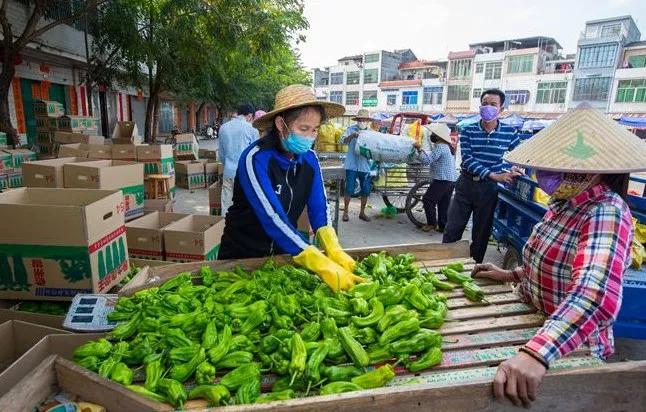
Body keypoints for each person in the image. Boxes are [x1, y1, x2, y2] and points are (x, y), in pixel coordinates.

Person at [472, 104, 646, 407]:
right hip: (533, 320)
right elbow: (555, 263)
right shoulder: (563, 203)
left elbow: (595, 294)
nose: (545, 174)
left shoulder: (605, 211)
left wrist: (536, 353)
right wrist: (511, 274)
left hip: (567, 346)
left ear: (592, 170)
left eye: (556, 166)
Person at [218, 84, 365, 292]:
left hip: (284, 256)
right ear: (281, 124)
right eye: (303, 129)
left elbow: (319, 207)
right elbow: (271, 217)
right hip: (242, 256)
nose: (309, 137)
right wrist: (318, 261)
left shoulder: (310, 160)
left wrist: (333, 247)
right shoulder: (256, 159)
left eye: (314, 130)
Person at [442, 89, 522, 263]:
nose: (488, 107)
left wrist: (515, 167)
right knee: (452, 228)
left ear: (501, 109)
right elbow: (468, 160)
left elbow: (520, 155)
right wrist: (495, 175)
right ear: (480, 106)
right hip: (466, 184)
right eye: (485, 103)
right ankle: (443, 264)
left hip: (488, 190)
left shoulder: (510, 133)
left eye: (493, 104)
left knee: (481, 232)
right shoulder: (469, 130)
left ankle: (473, 268)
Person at [414, 123, 458, 233]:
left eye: (434, 134)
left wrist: (419, 150)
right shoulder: (447, 147)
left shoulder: (440, 146)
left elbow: (427, 161)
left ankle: (431, 223)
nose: (432, 135)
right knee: (443, 204)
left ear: (439, 136)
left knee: (428, 200)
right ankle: (443, 226)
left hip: (442, 179)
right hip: (450, 180)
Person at [218, 103, 260, 216]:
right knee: (244, 205)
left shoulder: (223, 128)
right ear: (250, 115)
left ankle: (222, 228)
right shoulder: (252, 130)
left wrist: (227, 164)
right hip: (245, 173)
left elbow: (221, 154)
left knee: (226, 203)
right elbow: (256, 154)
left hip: (228, 171)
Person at [340, 109, 373, 222]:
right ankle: (345, 212)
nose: (362, 121)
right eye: (360, 119)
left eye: (364, 119)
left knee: (365, 190)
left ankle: (362, 213)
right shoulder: (350, 129)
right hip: (351, 165)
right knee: (349, 189)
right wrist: (352, 136)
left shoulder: (371, 133)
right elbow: (342, 141)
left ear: (367, 120)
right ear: (357, 120)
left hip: (365, 165)